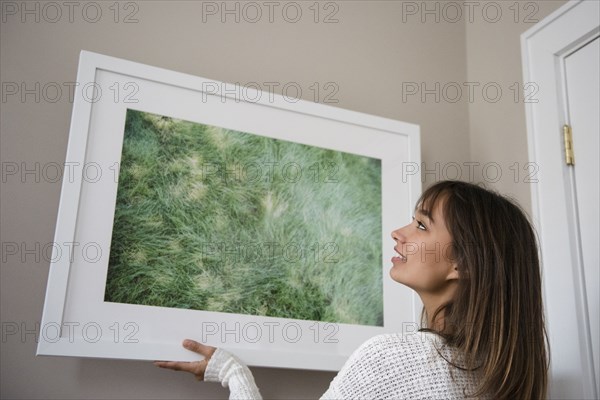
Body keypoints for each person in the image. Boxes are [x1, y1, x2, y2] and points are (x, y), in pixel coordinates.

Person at [154, 180, 549, 399]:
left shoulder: (395, 359)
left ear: (462, 264)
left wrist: (232, 372)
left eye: (422, 225)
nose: (399, 233)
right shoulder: (501, 378)